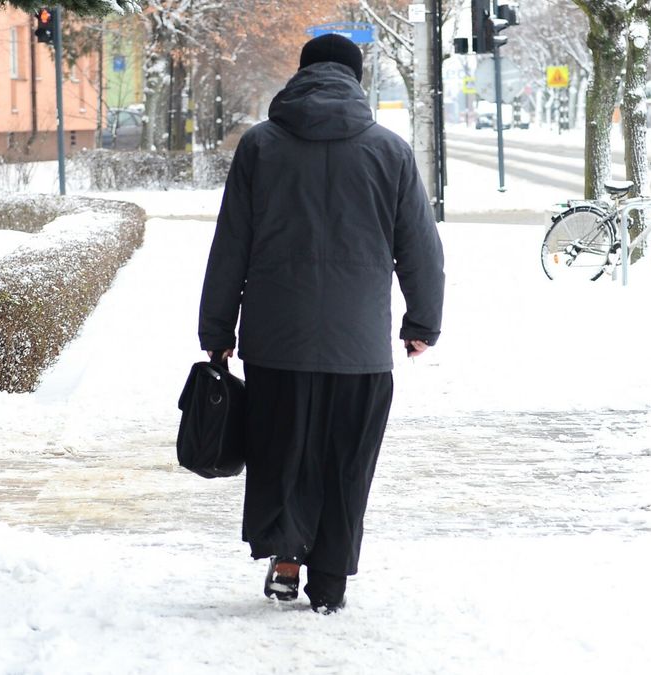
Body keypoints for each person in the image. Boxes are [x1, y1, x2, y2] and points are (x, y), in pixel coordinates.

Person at [198, 33, 445, 615]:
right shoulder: (391, 151)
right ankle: (328, 580)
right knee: (345, 460)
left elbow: (229, 245)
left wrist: (216, 331)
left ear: (301, 74)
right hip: (357, 346)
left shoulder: (260, 146)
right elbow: (421, 249)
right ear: (356, 80)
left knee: (283, 452)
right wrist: (422, 322)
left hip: (275, 340)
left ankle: (286, 559)